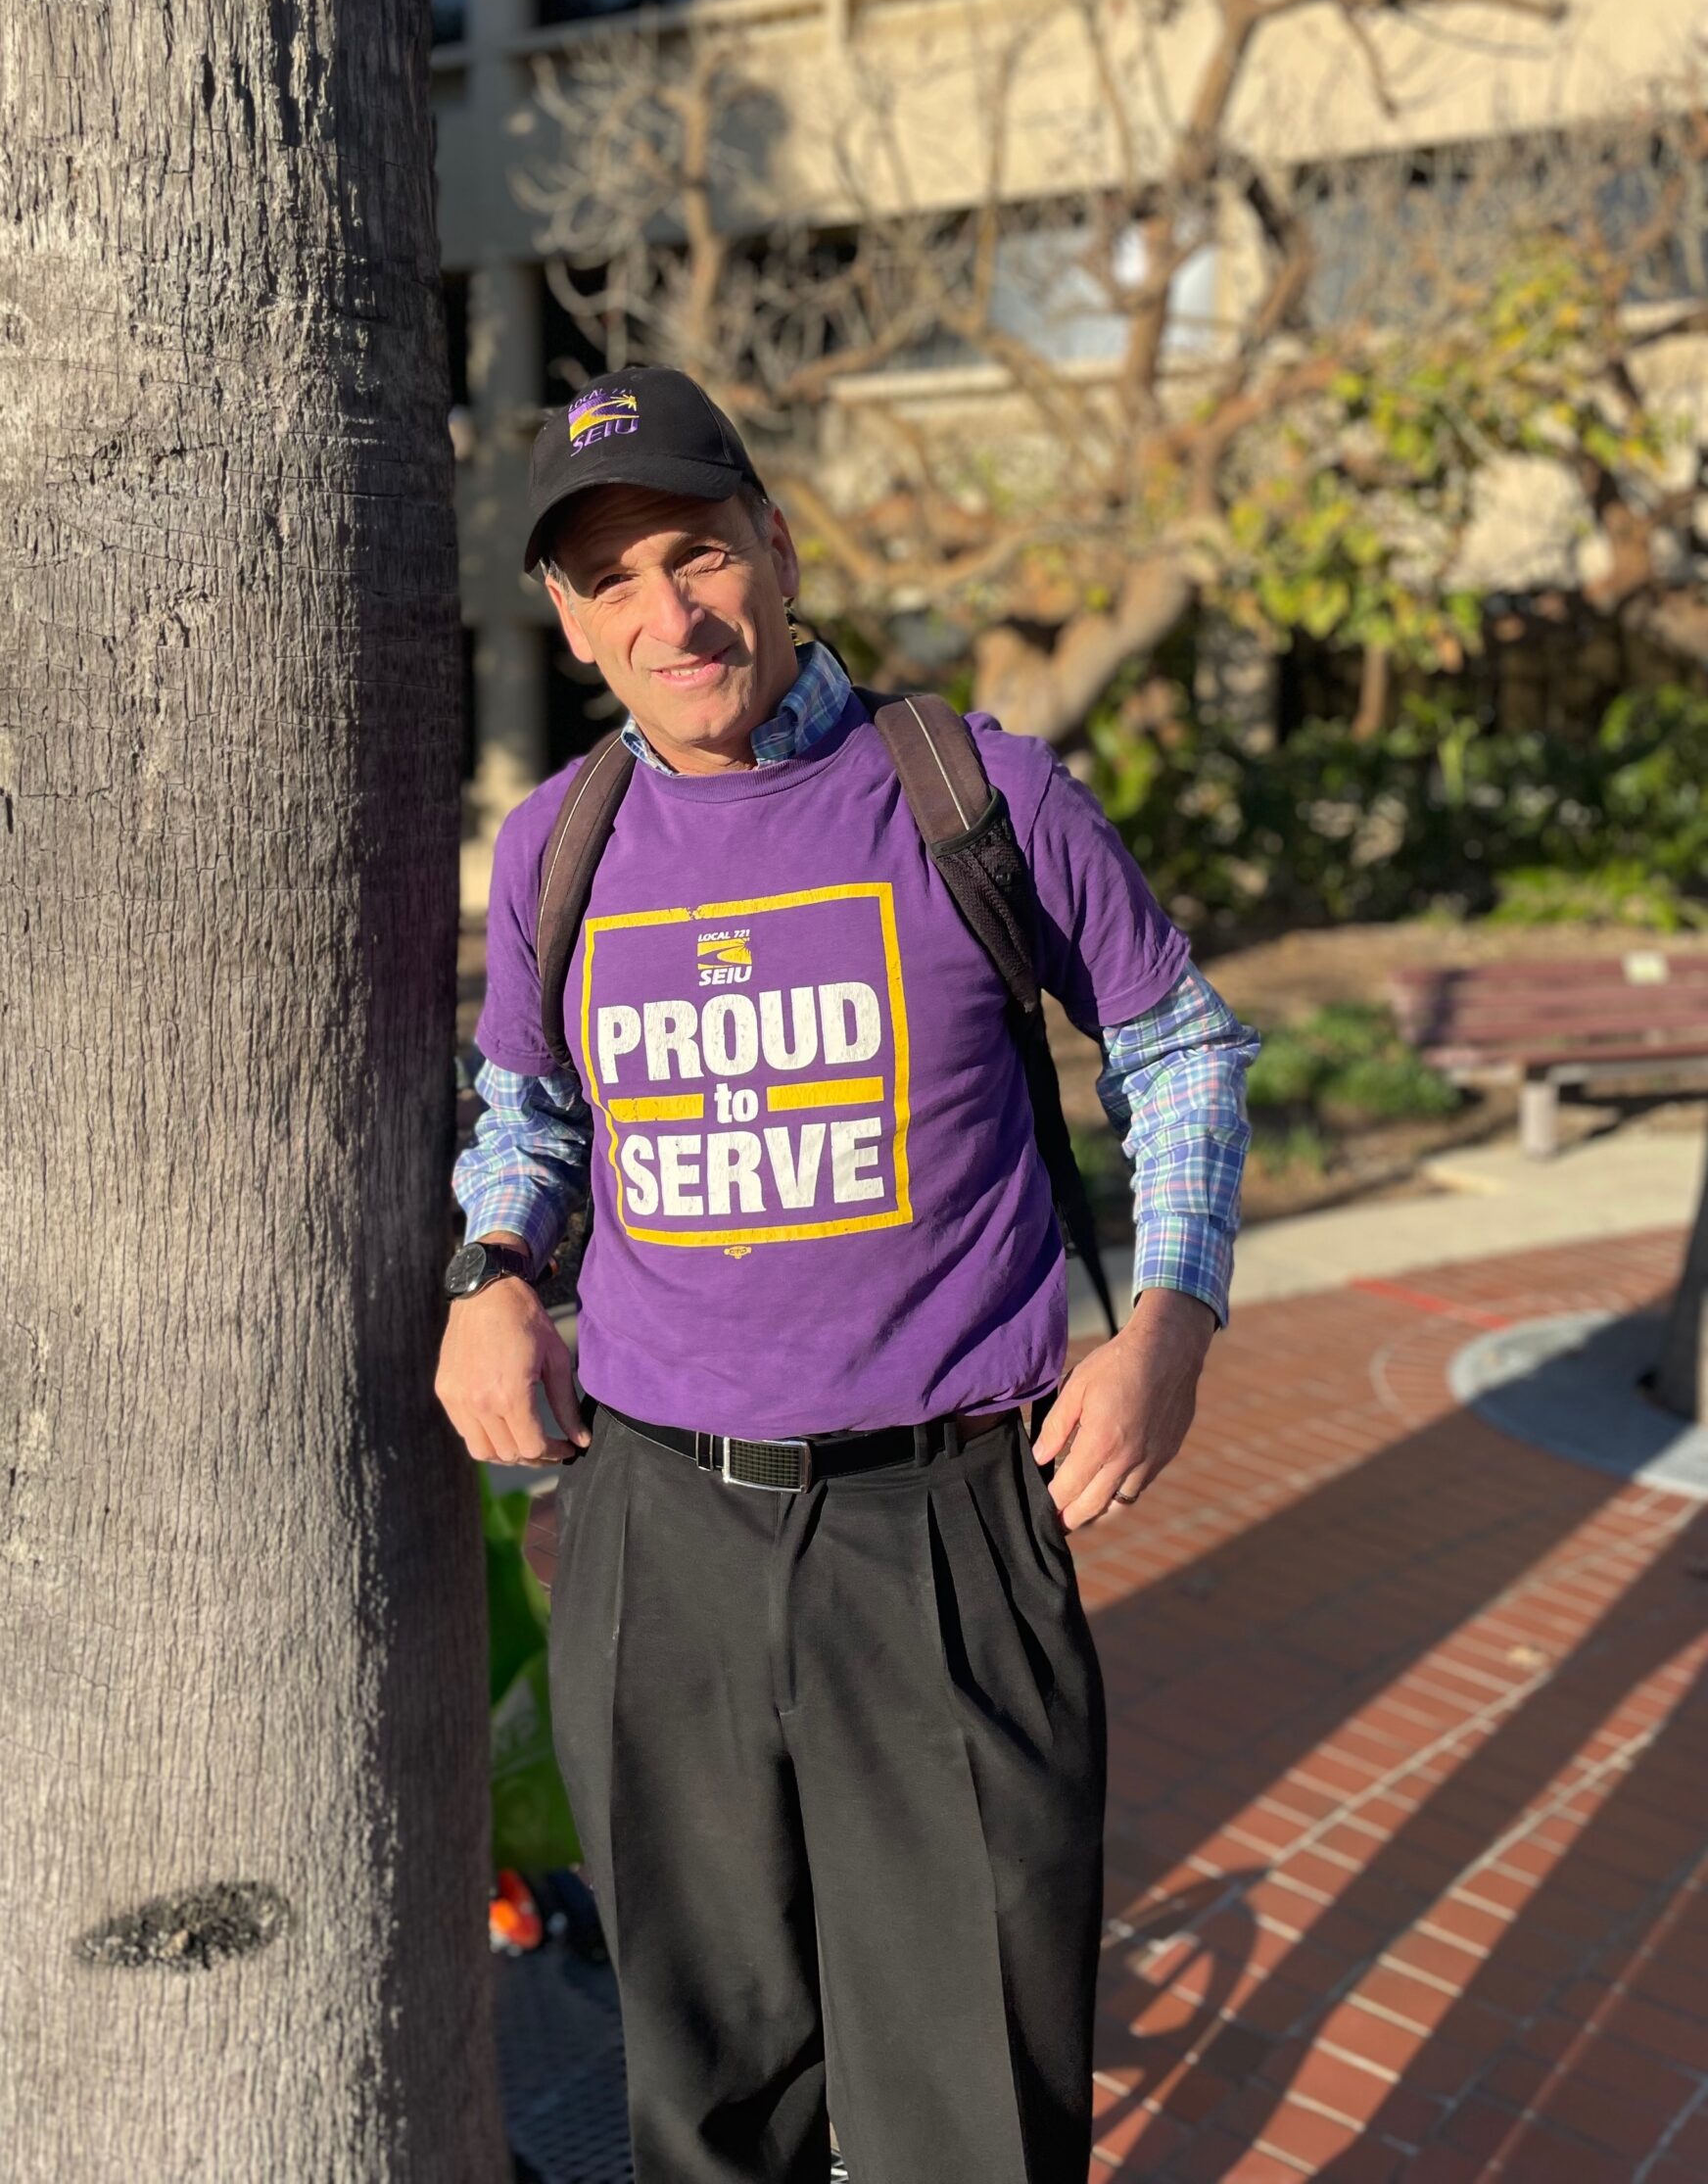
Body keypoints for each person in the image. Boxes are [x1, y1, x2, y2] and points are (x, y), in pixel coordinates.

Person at [438, 365, 1257, 2184]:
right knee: (708, 2095)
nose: (670, 614)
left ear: (777, 546)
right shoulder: (561, 843)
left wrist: (1172, 1325)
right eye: (612, 581)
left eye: (697, 552)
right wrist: (493, 1271)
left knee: (971, 2110)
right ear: (569, 622)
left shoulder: (974, 792)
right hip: (658, 1538)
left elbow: (1181, 1047)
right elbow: (530, 1115)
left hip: (942, 1534)